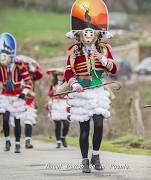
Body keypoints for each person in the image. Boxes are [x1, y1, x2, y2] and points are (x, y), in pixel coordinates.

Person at [65, 0, 117, 173]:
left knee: (99, 124)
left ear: (96, 34)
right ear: (80, 34)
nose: (88, 35)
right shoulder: (74, 50)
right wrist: (74, 84)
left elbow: (114, 69)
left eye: (91, 32)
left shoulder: (104, 49)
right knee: (84, 128)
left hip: (97, 91)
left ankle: (96, 155)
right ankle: (85, 160)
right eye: (85, 32)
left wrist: (103, 60)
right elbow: (68, 72)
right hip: (81, 92)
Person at [0, 32, 32, 153]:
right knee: (5, 119)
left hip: (17, 95)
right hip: (5, 95)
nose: (3, 57)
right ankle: (7, 141)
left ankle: (17, 144)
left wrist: (24, 92)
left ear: (11, 54)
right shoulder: (0, 67)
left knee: (16, 120)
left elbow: (28, 82)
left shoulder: (20, 66)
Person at [15, 55, 43, 149]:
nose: (25, 66)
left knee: (29, 120)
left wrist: (35, 66)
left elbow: (40, 75)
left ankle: (28, 141)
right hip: (17, 99)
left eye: (26, 64)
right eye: (23, 64)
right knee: (17, 121)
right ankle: (17, 142)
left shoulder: (32, 74)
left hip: (29, 99)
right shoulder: (16, 74)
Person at [46, 68, 70, 148]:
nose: (60, 76)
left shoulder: (67, 84)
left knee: (66, 124)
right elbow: (49, 95)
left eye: (62, 75)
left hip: (65, 104)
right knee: (58, 124)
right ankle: (58, 141)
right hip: (56, 104)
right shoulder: (53, 85)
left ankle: (63, 137)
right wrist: (49, 103)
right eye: (58, 75)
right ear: (56, 76)